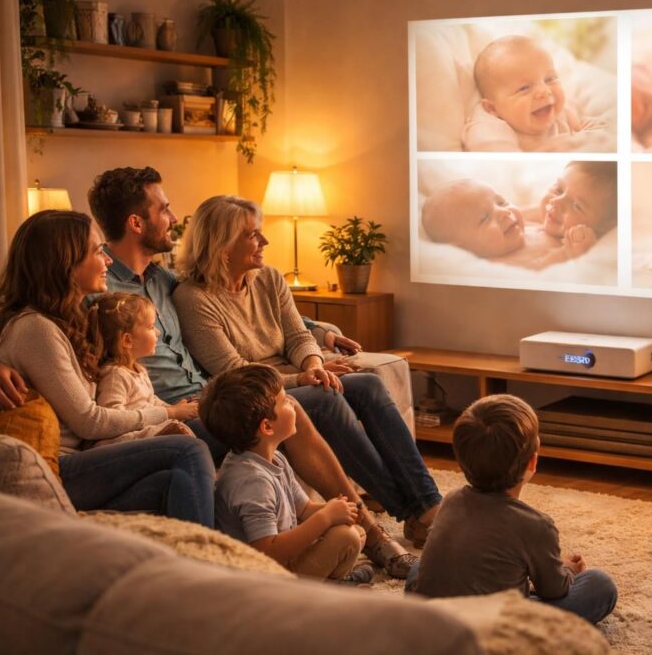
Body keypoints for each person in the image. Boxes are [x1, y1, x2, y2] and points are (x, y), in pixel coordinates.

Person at [0, 166, 417, 577]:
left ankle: (410, 510)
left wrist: (319, 331)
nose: (173, 216)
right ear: (136, 223)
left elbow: (226, 292)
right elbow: (0, 322)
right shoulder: (91, 304)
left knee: (360, 384)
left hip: (195, 400)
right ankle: (238, 566)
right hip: (158, 414)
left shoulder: (163, 282)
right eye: (163, 209)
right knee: (300, 407)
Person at [172, 194, 443, 576]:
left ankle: (425, 506)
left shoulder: (267, 278)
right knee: (326, 399)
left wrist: (315, 364)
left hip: (294, 377)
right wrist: (303, 378)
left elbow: (299, 337)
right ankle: (390, 525)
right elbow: (233, 370)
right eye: (252, 235)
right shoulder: (193, 298)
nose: (264, 242)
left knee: (367, 385)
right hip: (256, 389)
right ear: (221, 247)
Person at [0, 210, 214, 526]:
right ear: (65, 263)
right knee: (187, 450)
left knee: (184, 474)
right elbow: (89, 422)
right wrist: (168, 414)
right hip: (67, 468)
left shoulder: (69, 318)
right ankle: (209, 570)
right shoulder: (36, 330)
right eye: (97, 251)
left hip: (92, 457)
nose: (107, 261)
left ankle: (219, 557)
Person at [406, 394, 617, 625]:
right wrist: (567, 571)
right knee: (599, 584)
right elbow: (554, 590)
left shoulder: (451, 500)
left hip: (427, 617)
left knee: (420, 567)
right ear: (532, 463)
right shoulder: (537, 525)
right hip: (492, 630)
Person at [202, 364, 373, 584]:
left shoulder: (274, 458)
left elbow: (302, 509)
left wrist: (339, 510)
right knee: (346, 537)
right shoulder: (252, 482)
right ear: (267, 427)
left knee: (354, 531)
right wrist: (326, 517)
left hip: (282, 563)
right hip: (264, 579)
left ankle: (332, 585)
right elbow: (267, 551)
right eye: (284, 401)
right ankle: (326, 590)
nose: (293, 403)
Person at [421, 162, 617, 268]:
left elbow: (528, 211)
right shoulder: (497, 264)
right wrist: (569, 254)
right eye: (484, 218)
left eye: (501, 202)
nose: (505, 213)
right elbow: (539, 271)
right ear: (460, 249)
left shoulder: (525, 224)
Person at [90, 291, 200, 447]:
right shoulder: (115, 375)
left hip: (146, 430)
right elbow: (114, 419)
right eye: (151, 326)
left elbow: (151, 401)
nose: (158, 332)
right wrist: (172, 413)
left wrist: (174, 409)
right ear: (127, 340)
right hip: (124, 442)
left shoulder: (137, 369)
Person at [463, 35, 609, 152]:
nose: (544, 91)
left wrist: (580, 140)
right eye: (524, 88)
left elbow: (603, 132)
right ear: (492, 108)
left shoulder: (564, 112)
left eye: (550, 79)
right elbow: (491, 150)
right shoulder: (491, 128)